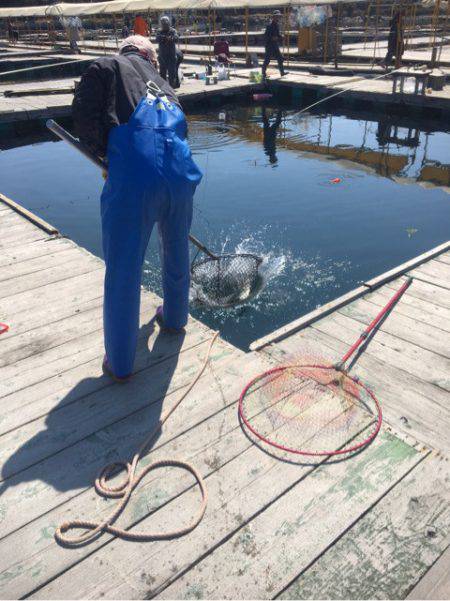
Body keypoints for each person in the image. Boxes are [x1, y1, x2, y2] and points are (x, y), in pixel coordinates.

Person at [72, 35, 202, 381]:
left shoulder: (106, 66)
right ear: (149, 57)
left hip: (134, 180)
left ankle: (120, 363)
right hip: (181, 179)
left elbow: (84, 115)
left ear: (126, 51)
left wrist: (105, 155)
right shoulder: (165, 86)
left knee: (124, 271)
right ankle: (174, 319)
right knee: (176, 249)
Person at [156, 16, 179, 89]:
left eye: (166, 24)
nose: (165, 25)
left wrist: (171, 38)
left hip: (171, 56)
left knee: (172, 73)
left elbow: (176, 38)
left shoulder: (173, 31)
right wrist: (165, 38)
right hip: (162, 56)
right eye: (163, 24)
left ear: (168, 23)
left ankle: (171, 87)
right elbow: (157, 38)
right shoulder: (159, 31)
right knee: (162, 73)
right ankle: (164, 88)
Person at [262, 10, 285, 80]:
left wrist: (281, 37)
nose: (278, 18)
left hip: (275, 45)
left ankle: (282, 72)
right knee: (267, 60)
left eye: (278, 16)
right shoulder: (269, 26)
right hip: (269, 46)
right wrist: (272, 38)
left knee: (280, 59)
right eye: (276, 16)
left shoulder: (277, 25)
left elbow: (277, 35)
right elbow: (266, 36)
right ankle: (263, 73)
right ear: (273, 17)